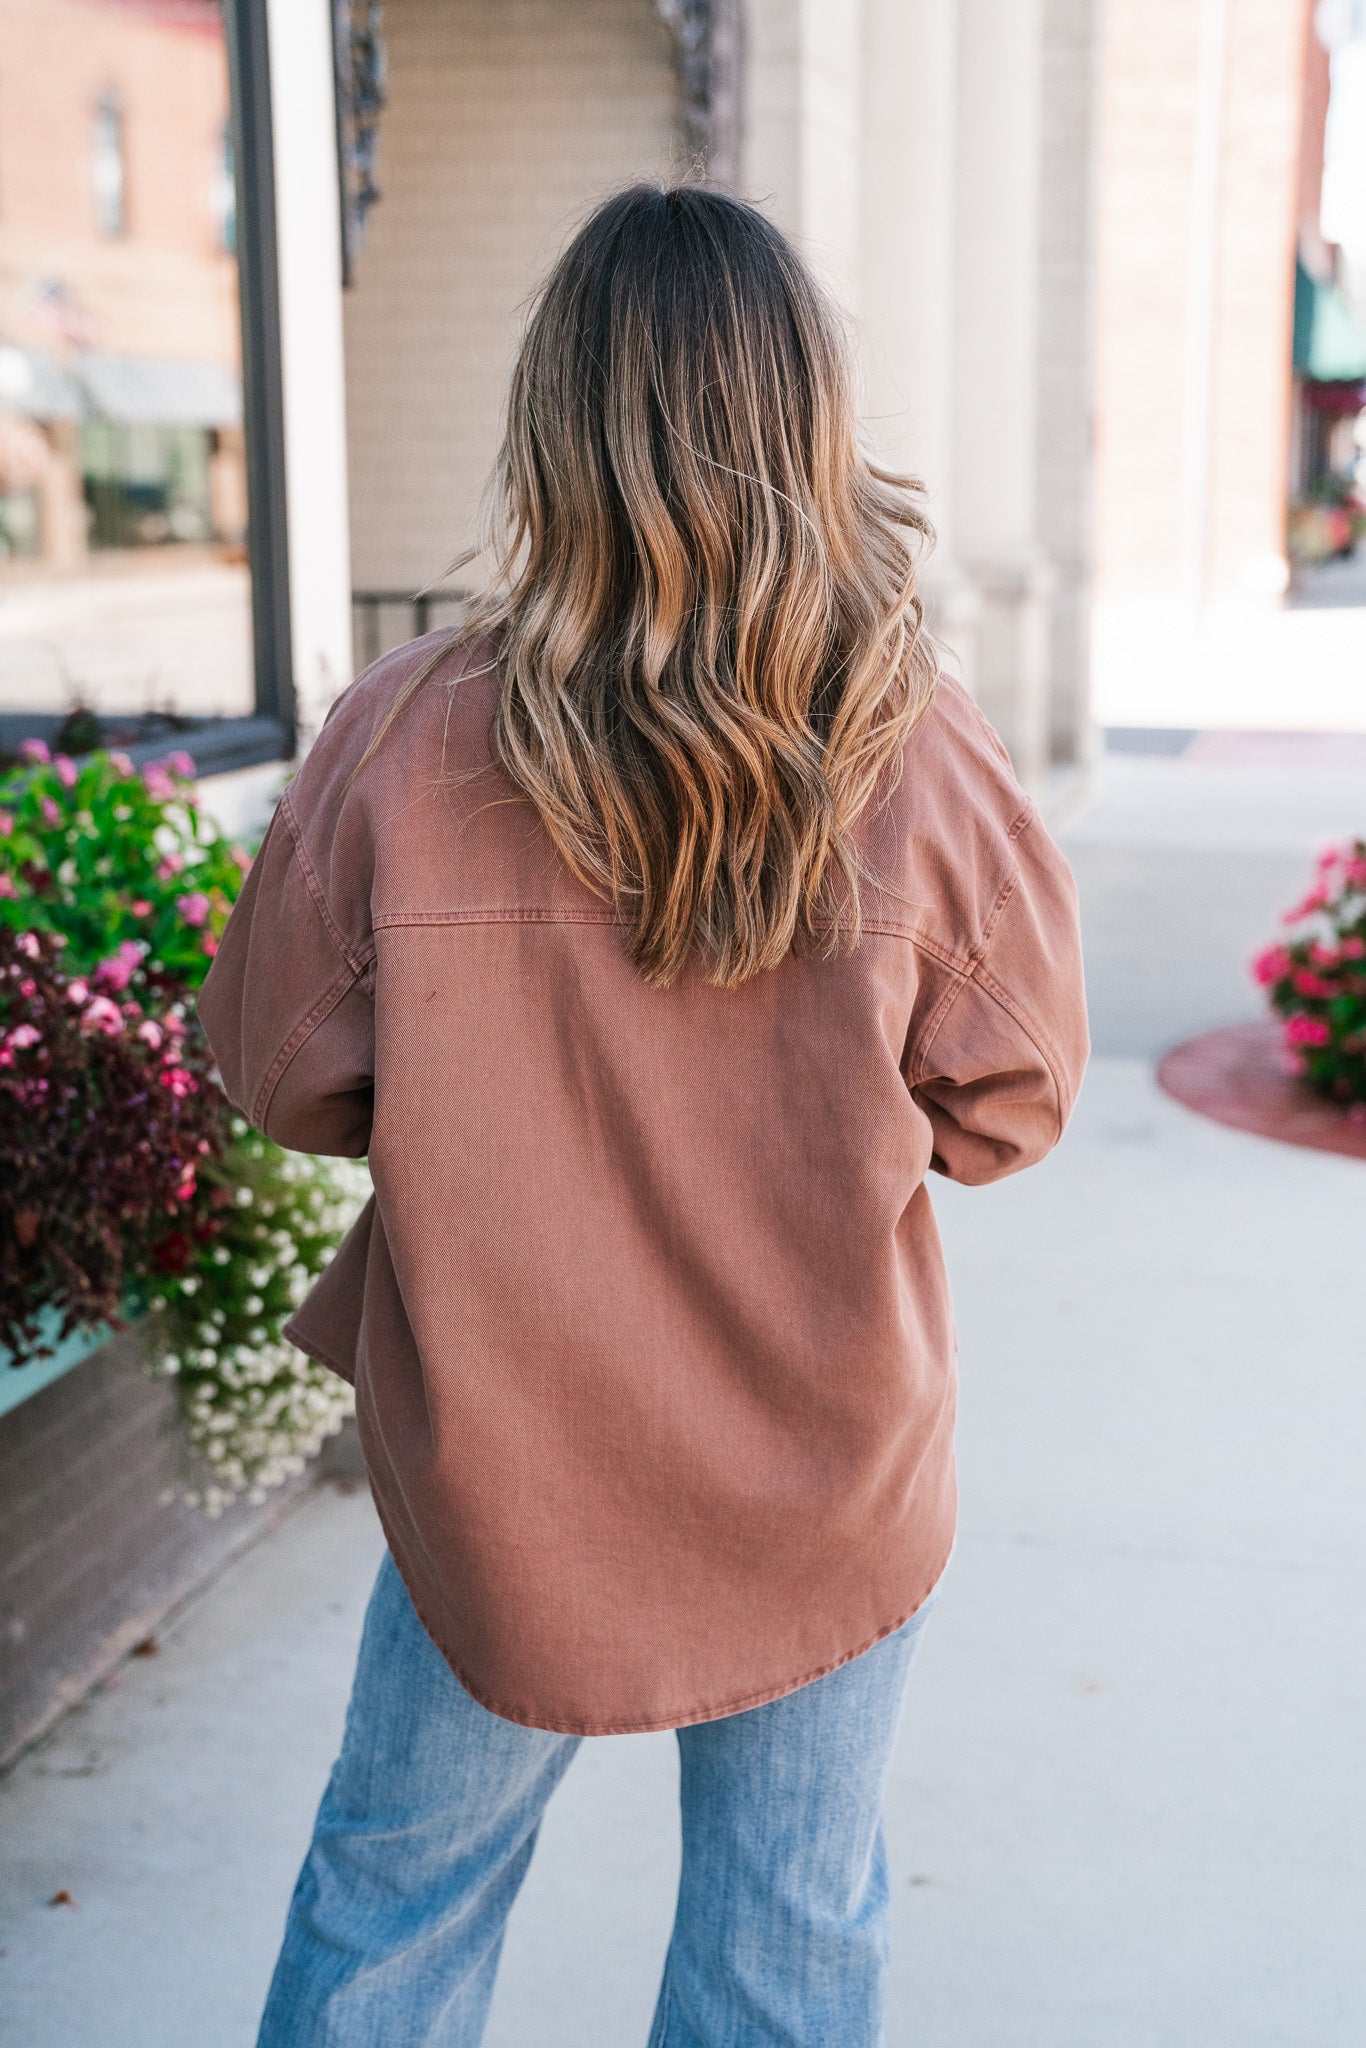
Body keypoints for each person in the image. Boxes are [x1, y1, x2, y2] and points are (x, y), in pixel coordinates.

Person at [200, 183, 1089, 2048]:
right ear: (808, 427)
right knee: (787, 1932)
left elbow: (285, 1074)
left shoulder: (400, 734)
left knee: (392, 1907)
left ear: (553, 426)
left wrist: (478, 1085)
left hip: (499, 1472)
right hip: (824, 1465)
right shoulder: (914, 749)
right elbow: (1009, 1108)